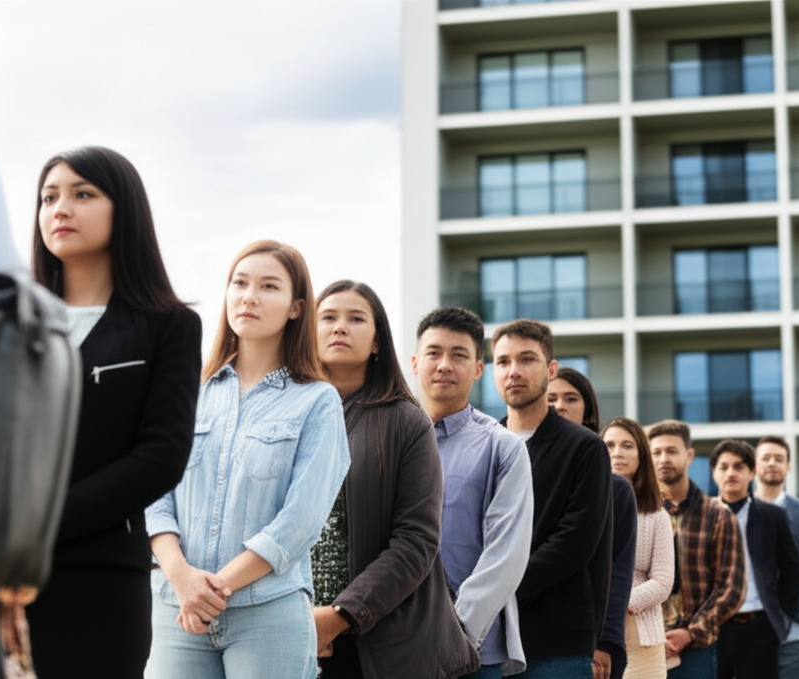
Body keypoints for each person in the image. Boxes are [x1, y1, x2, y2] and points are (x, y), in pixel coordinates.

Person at [23, 146, 203, 679]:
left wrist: (42, 522)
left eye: (83, 194)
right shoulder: (9, 324)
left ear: (123, 210)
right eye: (48, 196)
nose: (60, 208)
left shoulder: (168, 326)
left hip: (96, 576)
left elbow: (161, 456)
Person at [144, 240, 350, 678]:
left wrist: (213, 590)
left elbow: (299, 522)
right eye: (239, 283)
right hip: (176, 611)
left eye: (268, 286)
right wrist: (183, 579)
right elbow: (154, 497)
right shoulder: (187, 391)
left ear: (296, 308)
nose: (249, 296)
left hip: (267, 614)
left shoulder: (317, 402)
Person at [311, 281, 479, 679]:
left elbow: (416, 540)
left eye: (356, 318)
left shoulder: (406, 421)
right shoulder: (285, 414)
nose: (339, 327)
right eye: (328, 317)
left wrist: (339, 616)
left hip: (382, 644)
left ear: (376, 342)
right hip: (287, 629)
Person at [411, 307, 534, 679]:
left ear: (478, 369)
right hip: (392, 645)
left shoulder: (504, 447)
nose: (444, 365)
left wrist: (453, 631)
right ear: (415, 363)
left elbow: (506, 555)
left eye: (459, 355)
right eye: (434, 353)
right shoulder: (389, 440)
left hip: (473, 651)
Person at [492, 319, 613, 679]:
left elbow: (575, 541)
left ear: (551, 369)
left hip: (555, 639)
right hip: (485, 639)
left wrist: (500, 591)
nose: (514, 371)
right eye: (503, 361)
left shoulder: (585, 448)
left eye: (527, 359)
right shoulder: (483, 443)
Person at [548, 367, 638, 679]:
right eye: (551, 398)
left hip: (587, 638)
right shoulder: (516, 466)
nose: (559, 405)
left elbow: (618, 572)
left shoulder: (616, 489)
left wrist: (605, 643)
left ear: (587, 410)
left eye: (570, 398)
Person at [646, 420, 745, 679]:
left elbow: (731, 588)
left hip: (697, 648)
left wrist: (690, 633)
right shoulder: (637, 512)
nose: (663, 458)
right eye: (656, 452)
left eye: (672, 451)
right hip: (642, 642)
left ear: (689, 455)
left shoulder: (718, 515)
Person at [710, 440, 799, 679]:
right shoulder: (699, 516)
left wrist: (779, 613)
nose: (731, 473)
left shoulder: (772, 516)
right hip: (711, 629)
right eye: (724, 467)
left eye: (739, 467)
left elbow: (793, 569)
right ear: (714, 473)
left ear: (752, 472)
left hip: (759, 627)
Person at [602, 417, 674, 679]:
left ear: (642, 454)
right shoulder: (586, 508)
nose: (617, 452)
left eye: (627, 445)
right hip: (592, 632)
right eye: (609, 445)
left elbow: (663, 581)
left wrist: (618, 601)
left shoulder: (657, 516)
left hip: (641, 638)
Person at [754, 436, 799, 679]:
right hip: (747, 632)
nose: (772, 463)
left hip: (795, 631)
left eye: (779, 458)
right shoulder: (738, 512)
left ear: (789, 466)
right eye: (765, 458)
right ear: (755, 465)